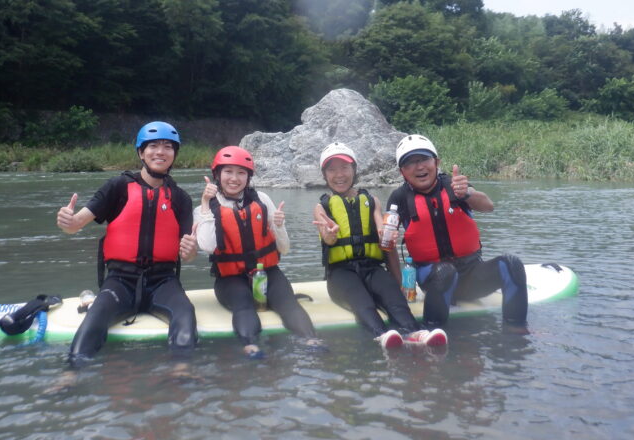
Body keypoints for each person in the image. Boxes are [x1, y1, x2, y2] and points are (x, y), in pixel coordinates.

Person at [56, 121, 198, 368]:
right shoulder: (118, 187)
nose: (160, 152)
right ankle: (70, 374)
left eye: (167, 147)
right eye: (153, 146)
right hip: (120, 280)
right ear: (141, 153)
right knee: (94, 318)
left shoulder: (181, 199)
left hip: (163, 281)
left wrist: (192, 251)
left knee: (185, 315)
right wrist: (66, 221)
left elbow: (188, 254)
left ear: (174, 155)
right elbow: (75, 224)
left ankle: (181, 371)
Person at [312, 142, 447, 350]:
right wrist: (330, 235)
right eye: (332, 169)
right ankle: (382, 336)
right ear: (324, 175)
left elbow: (383, 235)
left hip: (372, 268)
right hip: (340, 274)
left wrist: (386, 235)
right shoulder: (321, 207)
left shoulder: (371, 200)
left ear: (354, 170)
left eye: (344, 168)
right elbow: (327, 239)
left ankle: (416, 332)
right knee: (363, 303)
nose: (339, 174)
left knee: (394, 299)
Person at [385, 134, 528, 331]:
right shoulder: (399, 198)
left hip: (471, 275)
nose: (419, 167)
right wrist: (398, 283)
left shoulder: (455, 186)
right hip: (433, 278)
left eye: (424, 159)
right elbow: (386, 243)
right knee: (445, 272)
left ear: (436, 162)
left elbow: (488, 206)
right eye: (410, 163)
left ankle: (517, 333)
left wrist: (467, 193)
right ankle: (431, 333)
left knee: (512, 264)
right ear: (402, 172)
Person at [194, 145, 321, 358]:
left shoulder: (262, 199)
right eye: (228, 172)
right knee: (243, 305)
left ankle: (311, 340)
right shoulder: (204, 209)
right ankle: (251, 346)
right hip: (230, 278)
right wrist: (206, 202)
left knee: (288, 304)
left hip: (267, 272)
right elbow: (207, 246)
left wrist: (279, 226)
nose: (234, 178)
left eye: (241, 173)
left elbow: (284, 249)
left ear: (248, 177)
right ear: (217, 175)